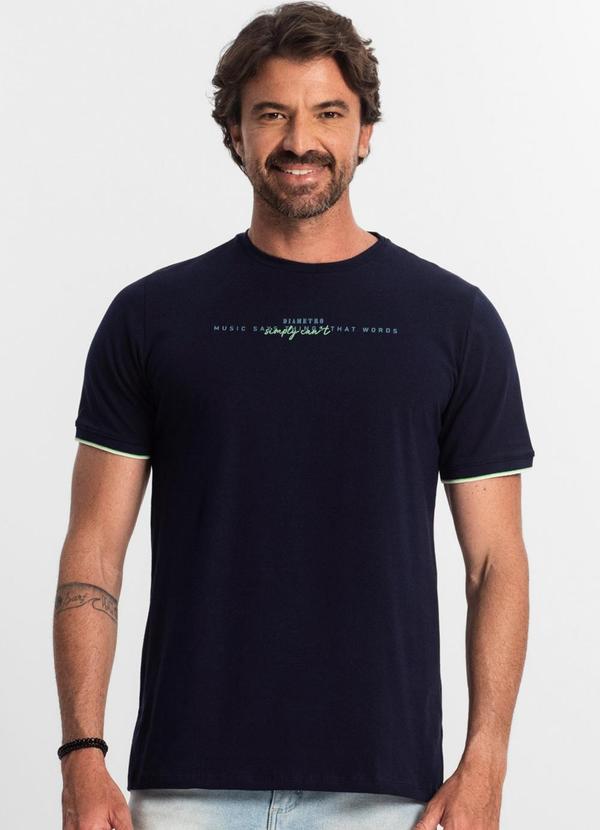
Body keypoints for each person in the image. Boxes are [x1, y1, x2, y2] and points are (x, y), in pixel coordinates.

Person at [53, 2, 535, 829]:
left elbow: (496, 563)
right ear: (235, 133)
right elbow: (95, 548)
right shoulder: (151, 317)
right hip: (185, 786)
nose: (299, 140)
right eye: (272, 113)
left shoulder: (453, 321)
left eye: (329, 114)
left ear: (366, 132)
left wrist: (486, 762)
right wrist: (81, 756)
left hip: (388, 793)